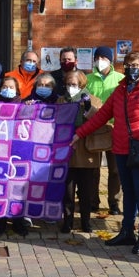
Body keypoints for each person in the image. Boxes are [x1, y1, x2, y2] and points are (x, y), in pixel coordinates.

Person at [71, 51, 139, 254]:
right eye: (128, 65)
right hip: (121, 149)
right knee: (129, 192)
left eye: (135, 66)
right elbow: (101, 116)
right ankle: (127, 232)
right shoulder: (120, 90)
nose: (131, 69)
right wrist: (79, 133)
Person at [58, 70, 102, 233]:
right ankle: (67, 221)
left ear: (82, 85)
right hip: (67, 152)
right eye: (68, 84)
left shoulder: (93, 100)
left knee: (86, 192)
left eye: (74, 84)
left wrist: (88, 108)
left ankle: (86, 221)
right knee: (68, 191)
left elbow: (99, 120)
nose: (71, 87)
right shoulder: (61, 100)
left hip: (87, 151)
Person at [85, 46, 125, 215]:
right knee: (93, 168)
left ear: (111, 60)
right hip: (94, 127)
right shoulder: (87, 79)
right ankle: (93, 201)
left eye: (104, 58)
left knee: (116, 169)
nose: (100, 61)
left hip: (115, 128)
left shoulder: (120, 78)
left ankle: (114, 202)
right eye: (98, 57)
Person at [0, 76, 30, 237]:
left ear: (17, 90)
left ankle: (18, 221)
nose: (7, 90)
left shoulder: (24, 105)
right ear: (0, 89)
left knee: (17, 189)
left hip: (18, 153)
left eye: (11, 87)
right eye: (4, 87)